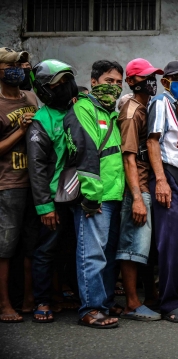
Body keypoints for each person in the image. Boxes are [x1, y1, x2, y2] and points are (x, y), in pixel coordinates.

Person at [63, 59, 125, 329]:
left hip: (113, 196)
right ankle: (90, 309)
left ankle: (103, 303)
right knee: (91, 254)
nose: (114, 87)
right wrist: (91, 196)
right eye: (109, 81)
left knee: (106, 255)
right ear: (94, 81)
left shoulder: (111, 113)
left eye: (118, 83)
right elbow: (84, 154)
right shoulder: (83, 109)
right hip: (95, 198)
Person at [26, 59, 79, 323]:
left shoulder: (79, 111)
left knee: (73, 247)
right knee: (46, 249)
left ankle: (67, 293)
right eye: (58, 84)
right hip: (54, 197)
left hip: (79, 195)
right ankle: (43, 300)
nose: (65, 87)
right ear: (45, 90)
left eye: (67, 81)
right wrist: (45, 206)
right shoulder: (41, 120)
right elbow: (36, 168)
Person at [147, 60, 178, 323]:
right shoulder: (159, 103)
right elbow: (153, 140)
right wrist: (161, 180)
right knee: (172, 242)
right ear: (165, 81)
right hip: (167, 174)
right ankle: (170, 303)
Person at [116, 58, 163, 321]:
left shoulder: (145, 108)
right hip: (138, 186)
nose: (150, 82)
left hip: (145, 185)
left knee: (143, 248)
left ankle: (148, 297)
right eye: (144, 77)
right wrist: (137, 198)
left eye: (152, 77)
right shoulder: (132, 112)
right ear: (132, 81)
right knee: (132, 247)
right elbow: (128, 157)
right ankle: (132, 303)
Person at [0, 47, 39, 323]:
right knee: (5, 248)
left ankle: (28, 298)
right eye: (13, 65)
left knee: (31, 245)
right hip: (8, 183)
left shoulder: (30, 97)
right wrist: (21, 131)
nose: (21, 68)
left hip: (34, 182)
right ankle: (4, 304)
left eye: (23, 63)